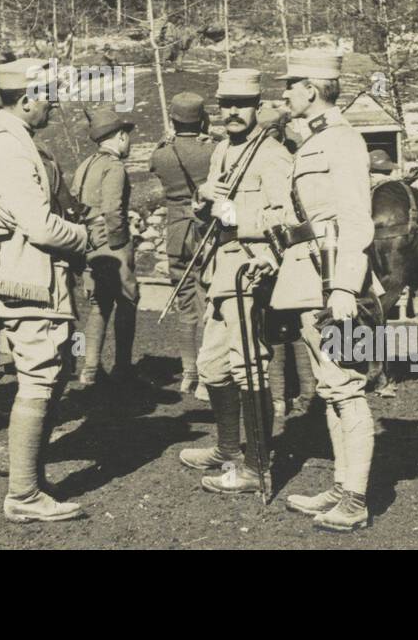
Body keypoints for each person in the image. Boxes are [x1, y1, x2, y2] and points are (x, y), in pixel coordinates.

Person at [0, 58, 91, 522]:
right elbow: (40, 227)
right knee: (39, 376)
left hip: (33, 274)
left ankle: (31, 484)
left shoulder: (14, 140)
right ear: (26, 101)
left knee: (48, 374)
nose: (55, 104)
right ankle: (23, 495)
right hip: (30, 277)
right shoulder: (10, 148)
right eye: (48, 96)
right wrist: (86, 238)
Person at [268, 51, 378, 531]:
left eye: (291, 85)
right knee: (331, 390)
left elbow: (356, 219)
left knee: (347, 389)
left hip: (333, 283)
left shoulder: (344, 141)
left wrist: (345, 287)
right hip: (310, 279)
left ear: (312, 89)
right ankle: (341, 484)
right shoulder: (314, 141)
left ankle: (356, 500)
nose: (285, 93)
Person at [178, 68, 295, 499]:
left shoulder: (273, 155)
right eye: (225, 104)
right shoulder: (224, 150)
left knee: (248, 366)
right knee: (211, 366)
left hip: (249, 269)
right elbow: (209, 208)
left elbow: (285, 219)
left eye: (241, 105)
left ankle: (255, 467)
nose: (232, 112)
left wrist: (232, 215)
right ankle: (227, 449)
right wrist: (202, 200)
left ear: (257, 107)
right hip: (219, 270)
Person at [148, 92, 215, 396]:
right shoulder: (212, 150)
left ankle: (188, 372)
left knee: (185, 302)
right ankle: (207, 371)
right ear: (201, 119)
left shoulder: (162, 153)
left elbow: (155, 166)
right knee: (210, 303)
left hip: (176, 232)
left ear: (174, 120)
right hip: (206, 231)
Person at [72, 106, 139, 387]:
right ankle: (122, 369)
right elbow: (112, 210)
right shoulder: (114, 167)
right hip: (111, 245)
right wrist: (121, 242)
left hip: (89, 243)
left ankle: (89, 369)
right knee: (127, 302)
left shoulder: (85, 165)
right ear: (121, 136)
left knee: (100, 305)